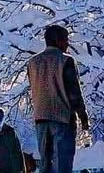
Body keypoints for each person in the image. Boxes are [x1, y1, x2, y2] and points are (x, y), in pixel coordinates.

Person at [27, 24, 90, 173]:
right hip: (62, 119)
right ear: (58, 41)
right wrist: (83, 117)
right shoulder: (66, 60)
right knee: (62, 165)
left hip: (40, 120)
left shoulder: (32, 62)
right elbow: (74, 93)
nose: (67, 43)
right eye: (65, 40)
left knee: (45, 166)